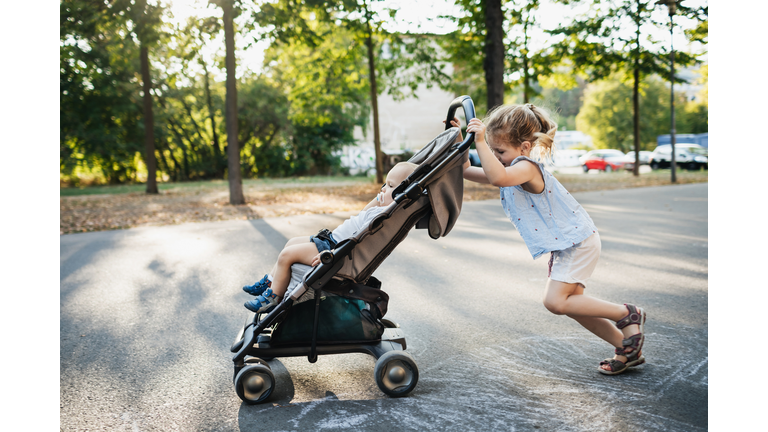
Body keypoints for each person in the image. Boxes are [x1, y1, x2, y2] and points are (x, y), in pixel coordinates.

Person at [452, 104, 646, 375]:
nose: (495, 157)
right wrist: (461, 139)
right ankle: (627, 347)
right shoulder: (509, 166)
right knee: (575, 307)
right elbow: (467, 171)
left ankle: (626, 312)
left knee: (555, 302)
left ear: (524, 147)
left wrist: (483, 142)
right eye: (493, 151)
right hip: (566, 245)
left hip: (578, 242)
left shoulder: (525, 167)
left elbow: (497, 177)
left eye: (500, 151)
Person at [242, 162, 418, 314]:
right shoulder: (381, 210)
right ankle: (270, 282)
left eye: (390, 186)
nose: (383, 189)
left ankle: (273, 299)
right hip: (329, 240)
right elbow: (367, 209)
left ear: (401, 194)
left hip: (334, 248)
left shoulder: (383, 217)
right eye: (384, 184)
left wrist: (334, 253)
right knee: (291, 242)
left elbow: (361, 240)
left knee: (286, 255)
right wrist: (383, 196)